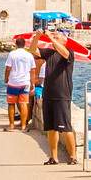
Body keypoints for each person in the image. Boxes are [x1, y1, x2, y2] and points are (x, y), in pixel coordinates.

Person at [33, 34, 77, 165]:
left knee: (66, 128)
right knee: (51, 128)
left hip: (62, 95)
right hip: (48, 94)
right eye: (54, 37)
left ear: (64, 41)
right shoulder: (49, 53)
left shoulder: (69, 52)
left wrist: (52, 39)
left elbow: (64, 53)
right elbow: (32, 50)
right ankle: (53, 157)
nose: (55, 38)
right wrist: (37, 37)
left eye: (58, 37)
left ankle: (73, 156)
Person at [4, 37, 36, 131]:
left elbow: (8, 68)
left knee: (11, 104)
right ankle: (23, 126)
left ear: (16, 44)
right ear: (24, 44)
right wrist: (32, 83)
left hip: (13, 82)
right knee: (24, 104)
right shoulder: (29, 55)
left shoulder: (12, 54)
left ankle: (11, 125)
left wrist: (6, 78)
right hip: (25, 83)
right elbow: (33, 70)